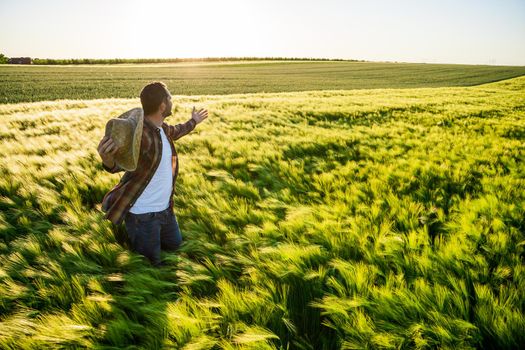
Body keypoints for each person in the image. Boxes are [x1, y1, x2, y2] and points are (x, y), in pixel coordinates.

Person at [97, 81, 208, 266]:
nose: (172, 100)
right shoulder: (141, 137)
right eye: (170, 97)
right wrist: (107, 160)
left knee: (176, 249)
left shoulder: (162, 129)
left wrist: (194, 121)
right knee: (151, 265)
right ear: (163, 105)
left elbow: (178, 130)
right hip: (143, 218)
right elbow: (120, 165)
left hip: (166, 211)